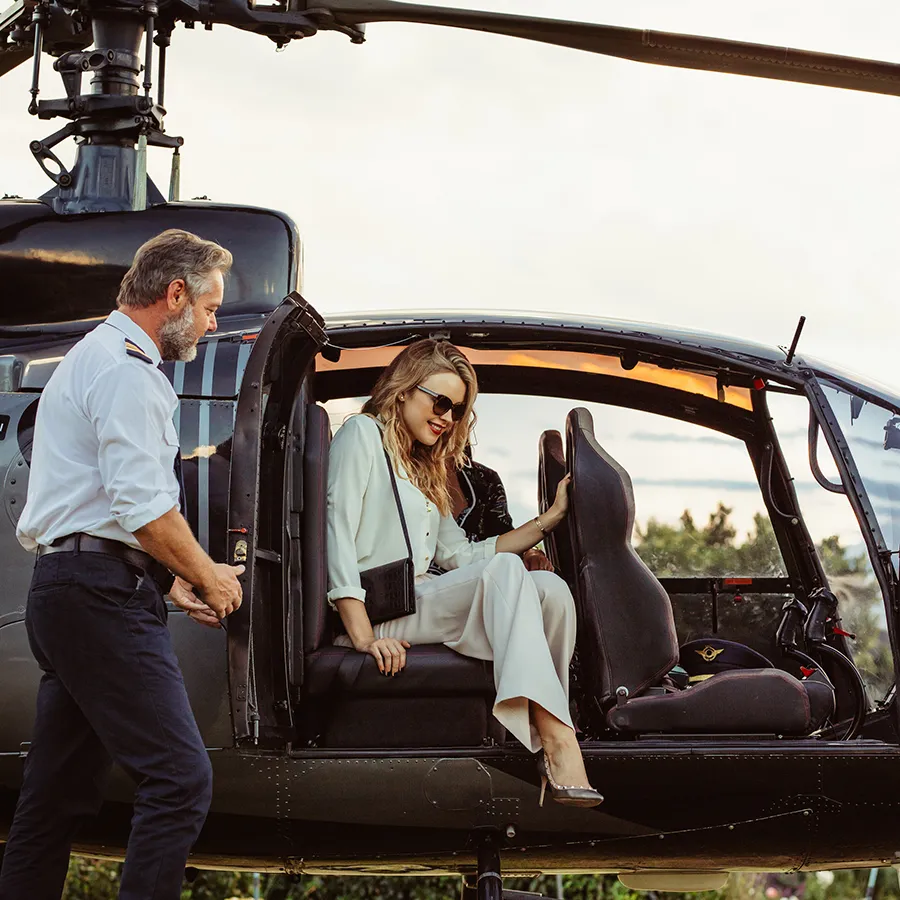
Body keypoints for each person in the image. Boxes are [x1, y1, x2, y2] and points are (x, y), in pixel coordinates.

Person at [0, 229, 245, 900]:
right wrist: (209, 574)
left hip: (73, 591)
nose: (213, 321)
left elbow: (101, 503)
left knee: (54, 797)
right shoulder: (127, 373)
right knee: (179, 779)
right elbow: (143, 509)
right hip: (98, 599)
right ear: (175, 295)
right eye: (209, 307)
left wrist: (166, 577)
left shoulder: (93, 357)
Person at [327, 339, 602, 808]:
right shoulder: (360, 434)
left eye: (457, 409)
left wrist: (548, 520)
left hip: (421, 597)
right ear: (404, 390)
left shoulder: (420, 466)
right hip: (378, 613)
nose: (448, 418)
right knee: (505, 573)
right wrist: (363, 636)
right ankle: (559, 738)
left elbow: (463, 555)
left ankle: (540, 734)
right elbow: (336, 531)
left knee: (550, 590)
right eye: (441, 402)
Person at [447, 451, 553, 573]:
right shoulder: (421, 479)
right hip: (433, 582)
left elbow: (504, 533)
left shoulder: (485, 479)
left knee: (546, 580)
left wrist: (530, 552)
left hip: (482, 577)